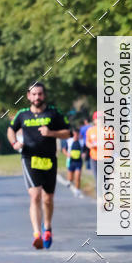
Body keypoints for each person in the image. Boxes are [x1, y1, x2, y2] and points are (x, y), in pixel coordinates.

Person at [7, 82, 72, 249]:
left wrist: (51, 133)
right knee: (35, 195)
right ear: (29, 96)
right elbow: (10, 129)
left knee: (48, 199)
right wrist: (15, 143)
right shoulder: (23, 114)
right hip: (30, 159)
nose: (37, 97)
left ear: (45, 95)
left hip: (49, 159)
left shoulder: (53, 113)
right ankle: (37, 234)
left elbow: (68, 132)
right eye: (34, 94)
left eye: (40, 94)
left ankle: (47, 228)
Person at [63, 127, 83, 193]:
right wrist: (67, 154)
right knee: (70, 178)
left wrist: (84, 154)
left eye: (77, 134)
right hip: (70, 161)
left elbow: (85, 150)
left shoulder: (81, 142)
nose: (75, 136)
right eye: (74, 134)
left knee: (78, 176)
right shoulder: (69, 141)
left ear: (79, 134)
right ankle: (69, 181)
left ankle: (77, 190)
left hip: (78, 161)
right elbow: (64, 149)